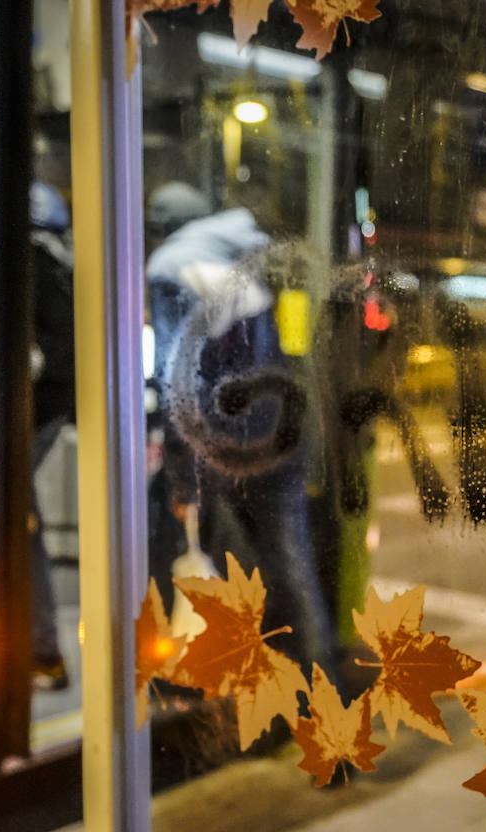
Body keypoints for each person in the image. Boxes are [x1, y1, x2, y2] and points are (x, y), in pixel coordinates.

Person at [145, 182, 337, 683]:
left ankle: (155, 660)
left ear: (160, 229)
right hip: (282, 429)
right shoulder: (250, 258)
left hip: (226, 439)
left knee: (157, 531)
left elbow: (178, 378)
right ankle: (318, 693)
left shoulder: (170, 266)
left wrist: (182, 481)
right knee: (288, 562)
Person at [29, 181, 75, 691]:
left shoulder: (31, 263)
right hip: (53, 407)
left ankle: (41, 650)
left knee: (20, 523)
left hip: (34, 408)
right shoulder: (61, 263)